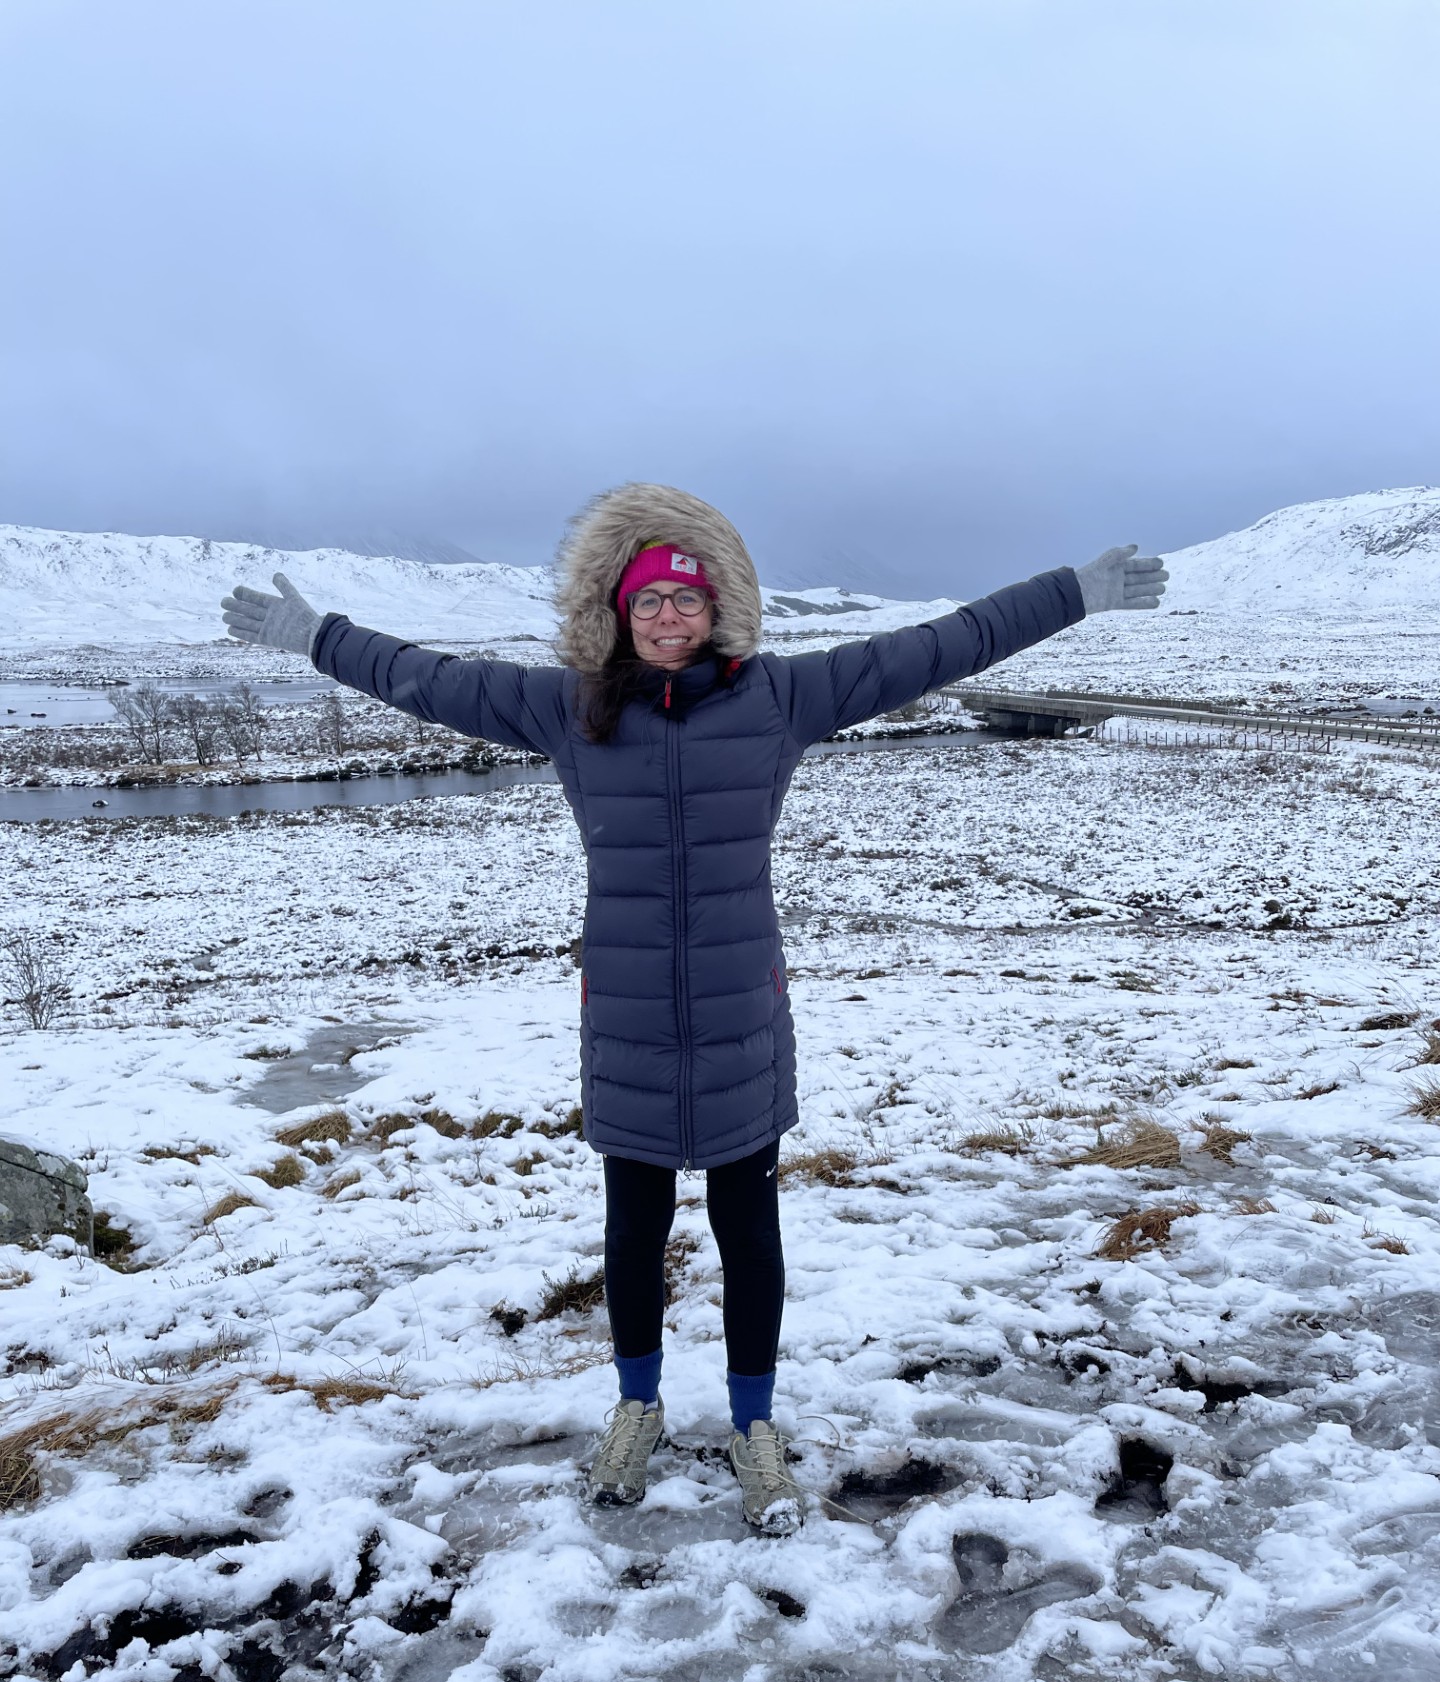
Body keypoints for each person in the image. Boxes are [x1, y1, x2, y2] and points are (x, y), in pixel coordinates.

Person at [220, 483, 1167, 1533]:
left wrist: (1072, 592)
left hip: (737, 1015)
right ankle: (637, 1407)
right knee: (633, 1229)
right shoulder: (568, 708)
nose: (669, 619)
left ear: (719, 608)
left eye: (687, 599)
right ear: (615, 616)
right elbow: (423, 680)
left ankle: (754, 1426)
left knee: (745, 1224)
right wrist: (318, 636)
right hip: (625, 1014)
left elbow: (942, 644)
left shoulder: (781, 697)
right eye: (648, 604)